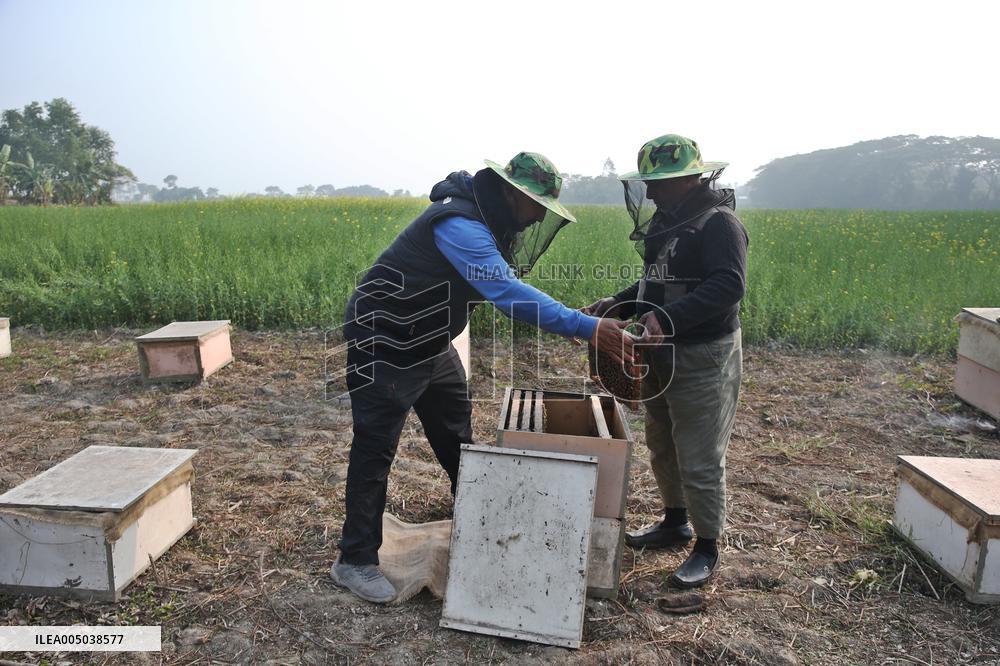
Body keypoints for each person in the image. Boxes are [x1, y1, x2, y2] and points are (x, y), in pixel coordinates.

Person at [333, 151, 634, 603]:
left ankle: (479, 519)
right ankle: (354, 560)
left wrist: (578, 319)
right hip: (386, 343)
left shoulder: (491, 222)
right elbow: (505, 291)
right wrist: (584, 326)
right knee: (375, 448)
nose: (537, 219)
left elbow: (505, 284)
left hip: (431, 341)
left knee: (458, 432)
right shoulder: (460, 224)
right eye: (537, 207)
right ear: (512, 194)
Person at [584, 134, 748, 588]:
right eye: (647, 182)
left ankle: (707, 545)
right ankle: (675, 521)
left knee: (699, 454)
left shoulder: (719, 225)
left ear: (692, 178)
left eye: (661, 182)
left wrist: (667, 316)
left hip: (702, 355)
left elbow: (728, 286)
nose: (651, 191)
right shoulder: (665, 221)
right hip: (660, 351)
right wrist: (618, 302)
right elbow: (653, 280)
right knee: (662, 442)